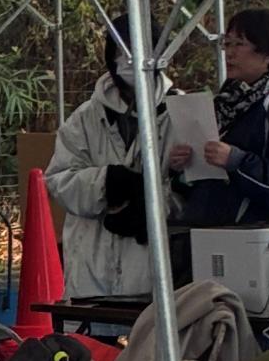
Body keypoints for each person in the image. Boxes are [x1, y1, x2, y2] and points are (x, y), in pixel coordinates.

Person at [45, 19, 183, 299]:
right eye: (123, 50)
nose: (132, 60)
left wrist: (152, 204)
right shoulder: (85, 117)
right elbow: (59, 180)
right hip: (92, 269)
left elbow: (198, 189)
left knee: (151, 339)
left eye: (142, 49)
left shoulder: (181, 112)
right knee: (90, 342)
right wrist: (109, 182)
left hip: (155, 271)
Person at [173, 9, 269, 226]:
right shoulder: (224, 103)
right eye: (227, 43)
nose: (229, 53)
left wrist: (237, 161)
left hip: (266, 241)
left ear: (268, 53)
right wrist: (183, 167)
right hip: (216, 233)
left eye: (239, 44)